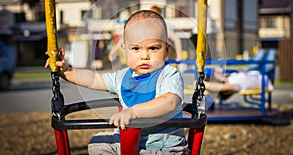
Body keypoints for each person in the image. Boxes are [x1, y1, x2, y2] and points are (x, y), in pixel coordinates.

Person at [45, 10, 189, 155]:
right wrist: (66, 70)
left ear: (166, 50)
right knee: (98, 143)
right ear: (125, 50)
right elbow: (94, 79)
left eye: (153, 48)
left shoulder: (169, 74)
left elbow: (169, 102)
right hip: (127, 142)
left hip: (164, 147)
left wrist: (134, 111)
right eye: (136, 49)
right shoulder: (121, 77)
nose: (145, 56)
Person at [109, 6, 183, 62]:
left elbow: (176, 39)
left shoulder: (163, 26)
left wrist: (179, 55)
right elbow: (124, 38)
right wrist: (113, 52)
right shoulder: (144, 26)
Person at [204, 67, 274, 99]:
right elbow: (221, 88)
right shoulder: (234, 86)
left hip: (255, 72)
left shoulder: (230, 77)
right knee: (269, 52)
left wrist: (219, 72)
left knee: (263, 52)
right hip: (266, 79)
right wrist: (203, 84)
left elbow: (216, 72)